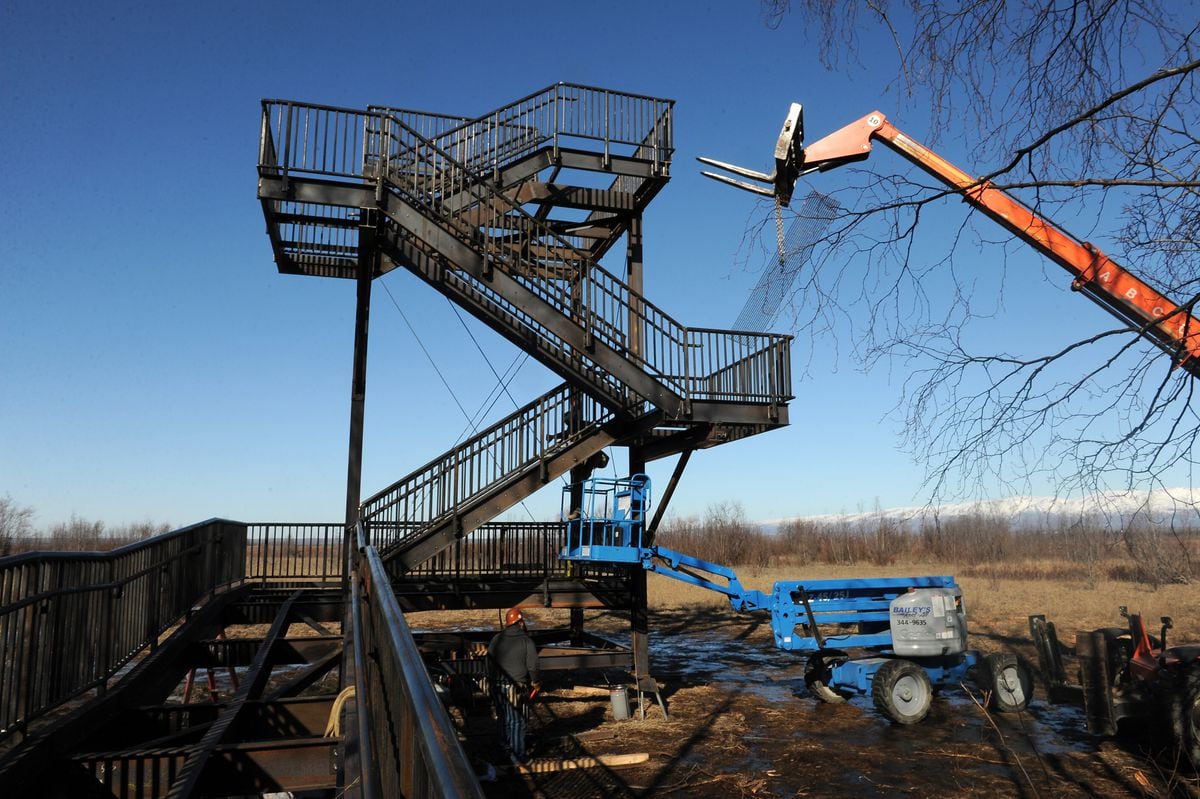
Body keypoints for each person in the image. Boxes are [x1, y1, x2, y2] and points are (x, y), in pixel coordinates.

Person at [487, 607, 539, 762]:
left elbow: (488, 661)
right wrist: (535, 682)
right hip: (514, 688)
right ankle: (518, 757)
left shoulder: (497, 639)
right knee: (517, 721)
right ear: (520, 622)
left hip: (496, 685)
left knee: (503, 717)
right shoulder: (526, 641)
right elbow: (533, 666)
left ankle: (504, 749)